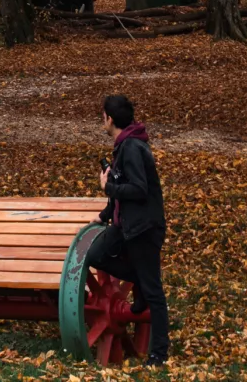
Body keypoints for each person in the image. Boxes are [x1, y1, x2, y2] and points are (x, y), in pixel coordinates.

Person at [87, 93, 170, 367]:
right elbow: (124, 190)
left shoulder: (133, 147)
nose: (102, 120)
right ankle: (141, 282)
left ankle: (159, 353)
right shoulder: (123, 145)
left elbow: (138, 189)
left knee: (154, 291)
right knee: (96, 254)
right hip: (127, 225)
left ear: (109, 119)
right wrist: (105, 215)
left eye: (103, 116)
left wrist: (108, 187)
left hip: (144, 228)